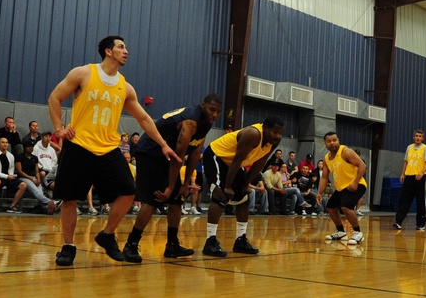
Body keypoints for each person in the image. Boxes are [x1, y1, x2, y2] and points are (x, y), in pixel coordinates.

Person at [49, 35, 179, 267]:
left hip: (108, 148)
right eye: (120, 47)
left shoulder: (125, 87)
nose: (125, 50)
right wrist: (59, 128)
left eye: (125, 47)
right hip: (79, 145)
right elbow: (55, 98)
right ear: (108, 51)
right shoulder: (83, 73)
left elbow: (144, 118)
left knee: (129, 192)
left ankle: (107, 234)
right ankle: (68, 247)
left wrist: (164, 144)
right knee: (69, 199)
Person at [122, 94, 222, 262]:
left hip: (168, 157)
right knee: (153, 200)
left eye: (218, 112)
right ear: (202, 105)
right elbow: (179, 153)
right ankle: (131, 244)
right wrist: (169, 186)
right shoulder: (191, 121)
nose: (215, 115)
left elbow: (195, 154)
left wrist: (184, 184)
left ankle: (172, 245)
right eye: (212, 110)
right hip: (150, 153)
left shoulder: (206, 123)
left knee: (176, 200)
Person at [200, 117, 284, 256]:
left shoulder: (273, 141)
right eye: (275, 132)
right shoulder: (253, 134)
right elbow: (237, 160)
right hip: (217, 155)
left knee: (244, 198)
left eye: (280, 133)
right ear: (265, 128)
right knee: (220, 195)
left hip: (234, 163)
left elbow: (259, 163)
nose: (278, 136)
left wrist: (245, 185)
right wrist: (227, 186)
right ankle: (210, 241)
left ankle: (240, 240)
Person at [319, 131, 367, 244]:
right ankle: (341, 232)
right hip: (342, 188)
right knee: (330, 207)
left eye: (334, 140)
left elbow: (362, 165)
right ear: (325, 143)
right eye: (329, 141)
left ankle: (358, 233)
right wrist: (319, 193)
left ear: (338, 140)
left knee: (345, 206)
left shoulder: (346, 151)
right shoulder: (326, 158)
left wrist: (355, 182)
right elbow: (324, 177)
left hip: (357, 184)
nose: (332, 143)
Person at [393, 130, 426, 230]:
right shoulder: (409, 148)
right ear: (413, 137)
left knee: (421, 201)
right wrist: (403, 174)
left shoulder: (425, 148)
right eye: (416, 136)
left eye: (420, 136)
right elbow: (406, 162)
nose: (418, 137)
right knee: (404, 199)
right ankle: (398, 221)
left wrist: (422, 172)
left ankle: (421, 223)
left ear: (422, 138)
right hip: (409, 177)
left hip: (420, 177)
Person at [0, 137, 27, 212]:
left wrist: (10, 175)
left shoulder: (10, 156)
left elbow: (11, 167)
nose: (5, 144)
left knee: (23, 185)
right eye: (3, 142)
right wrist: (7, 176)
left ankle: (12, 206)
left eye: (6, 142)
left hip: (7, 177)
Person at [15, 139, 57, 213]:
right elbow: (19, 171)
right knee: (37, 192)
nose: (31, 148)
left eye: (32, 146)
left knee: (40, 193)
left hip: (34, 177)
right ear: (25, 147)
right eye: (29, 147)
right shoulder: (19, 157)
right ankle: (51, 202)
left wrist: (38, 179)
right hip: (24, 178)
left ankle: (46, 208)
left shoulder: (35, 158)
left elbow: (36, 170)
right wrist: (31, 178)